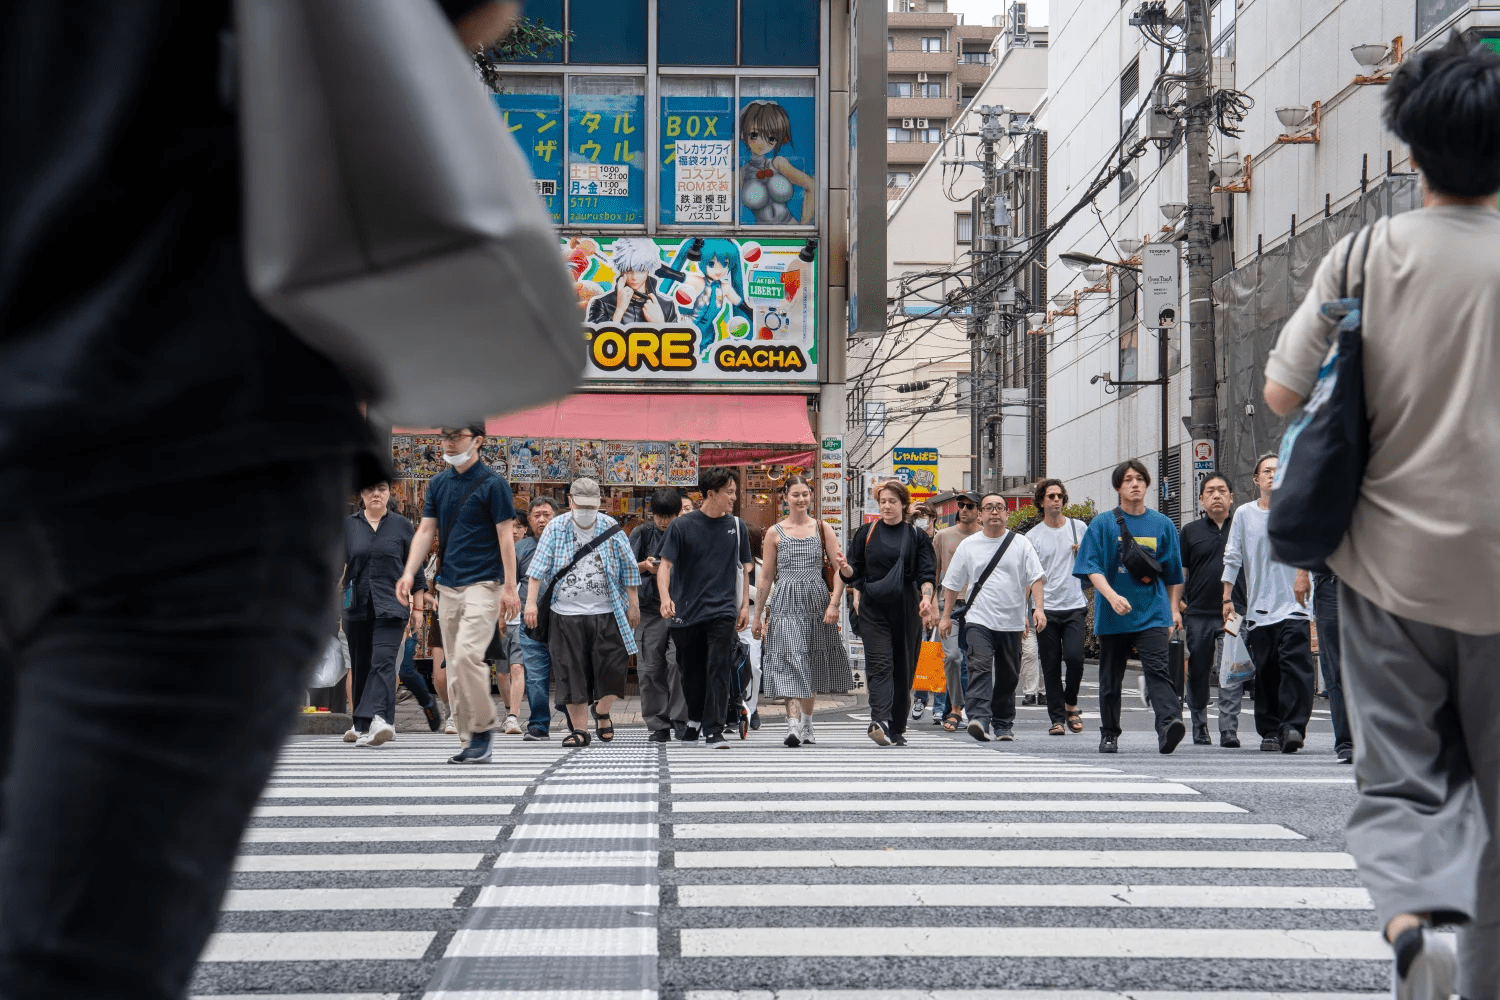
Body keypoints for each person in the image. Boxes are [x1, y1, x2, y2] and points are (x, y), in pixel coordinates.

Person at [0, 2, 521, 991]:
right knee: (75, 956)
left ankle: (473, 732)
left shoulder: (481, 482)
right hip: (197, 422)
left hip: (95, 403)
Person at [1261, 38, 1500, 998]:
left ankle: (1417, 926)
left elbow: (1281, 397)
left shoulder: (1365, 255)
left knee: (1402, 780)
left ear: (1408, 147)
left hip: (1387, 570)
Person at [397, 423, 520, 765]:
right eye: (444, 438)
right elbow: (425, 530)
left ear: (478, 440)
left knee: (467, 656)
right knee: (454, 669)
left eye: (456, 438)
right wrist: (409, 573)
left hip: (484, 583)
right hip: (447, 584)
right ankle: (471, 738)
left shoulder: (494, 484)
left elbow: (505, 537)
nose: (448, 445)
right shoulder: (438, 483)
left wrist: (510, 587)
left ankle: (482, 732)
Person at [1071, 459, 1186, 755]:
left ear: (1147, 484)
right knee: (1110, 677)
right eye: (1128, 479)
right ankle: (1109, 733)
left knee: (1158, 670)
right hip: (1114, 613)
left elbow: (1173, 573)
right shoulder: (1103, 523)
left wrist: (1173, 609)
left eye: (1140, 479)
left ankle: (1168, 725)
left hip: (1153, 611)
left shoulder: (1163, 524)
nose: (1135, 484)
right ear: (1118, 487)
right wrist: (1110, 596)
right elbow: (1090, 566)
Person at [524, 478, 641, 748]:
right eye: (581, 505)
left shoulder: (610, 527)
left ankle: (601, 710)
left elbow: (629, 568)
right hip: (565, 612)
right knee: (570, 670)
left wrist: (633, 604)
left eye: (592, 506)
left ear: (599, 504)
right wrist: (531, 603)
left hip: (608, 610)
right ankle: (580, 730)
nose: (586, 510)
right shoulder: (556, 527)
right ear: (571, 502)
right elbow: (537, 569)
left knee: (613, 667)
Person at [1220, 454, 1314, 754]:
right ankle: (1270, 729)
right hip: (1260, 609)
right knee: (1268, 669)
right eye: (1267, 471)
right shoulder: (1245, 515)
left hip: (1295, 604)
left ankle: (1293, 727)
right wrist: (1227, 597)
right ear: (1256, 479)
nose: (1273, 475)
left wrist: (1303, 575)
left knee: (1296, 666)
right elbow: (1233, 555)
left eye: (1280, 470)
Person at [754, 475, 853, 747]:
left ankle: (807, 725)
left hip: (816, 601)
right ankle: (793, 727)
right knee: (790, 659)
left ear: (811, 497)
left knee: (809, 662)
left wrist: (835, 600)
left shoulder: (822, 528)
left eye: (805, 494)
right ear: (785, 497)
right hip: (785, 600)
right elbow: (765, 577)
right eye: (795, 494)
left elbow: (841, 571)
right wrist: (758, 615)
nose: (801, 499)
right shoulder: (774, 532)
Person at [658, 468, 753, 748]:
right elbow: (665, 565)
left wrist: (744, 606)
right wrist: (665, 597)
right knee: (691, 671)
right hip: (686, 612)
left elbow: (744, 569)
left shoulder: (737, 526)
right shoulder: (681, 526)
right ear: (711, 494)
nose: (734, 498)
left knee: (718, 668)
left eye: (735, 491)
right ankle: (695, 719)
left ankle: (714, 728)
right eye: (730, 492)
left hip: (722, 612)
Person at [939, 493, 1046, 742]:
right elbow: (952, 584)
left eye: (999, 508)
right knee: (979, 667)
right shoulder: (969, 545)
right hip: (978, 620)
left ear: (1007, 514)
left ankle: (1003, 724)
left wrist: (1037, 609)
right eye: (988, 508)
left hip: (1012, 622)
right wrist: (945, 616)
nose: (994, 512)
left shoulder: (1021, 544)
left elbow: (1036, 577)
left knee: (1009, 676)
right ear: (981, 515)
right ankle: (979, 719)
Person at [840, 479, 937, 746]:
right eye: (882, 501)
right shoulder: (866, 533)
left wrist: (926, 599)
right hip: (873, 607)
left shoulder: (916, 536)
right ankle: (879, 719)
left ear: (904, 505)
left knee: (903, 667)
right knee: (879, 664)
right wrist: (845, 570)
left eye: (892, 501)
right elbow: (854, 572)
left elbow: (927, 574)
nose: (886, 506)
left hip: (907, 606)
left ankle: (897, 727)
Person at [343, 480, 430, 746]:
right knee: (360, 664)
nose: (376, 494)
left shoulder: (401, 525)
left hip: (393, 605)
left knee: (382, 661)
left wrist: (417, 608)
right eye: (370, 490)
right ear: (362, 494)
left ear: (389, 492)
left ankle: (380, 720)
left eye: (381, 489)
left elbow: (415, 568)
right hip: (356, 605)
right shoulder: (348, 526)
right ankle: (360, 724)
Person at [1026, 479, 1090, 736]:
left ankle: (1071, 704)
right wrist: (1030, 610)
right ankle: (1057, 718)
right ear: (1041, 501)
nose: (1056, 500)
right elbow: (1030, 576)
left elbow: (1092, 562)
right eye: (1050, 496)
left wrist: (1081, 554)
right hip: (1046, 609)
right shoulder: (1033, 536)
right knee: (1051, 664)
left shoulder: (1079, 528)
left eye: (1059, 496)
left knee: (1075, 658)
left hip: (1074, 605)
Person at [1178, 473, 1235, 746]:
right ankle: (1200, 726)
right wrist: (1177, 606)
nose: (1216, 495)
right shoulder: (1190, 531)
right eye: (1210, 491)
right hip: (1198, 613)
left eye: (1222, 490)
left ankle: (1228, 729)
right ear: (1201, 498)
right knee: (1199, 671)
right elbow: (1181, 573)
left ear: (1231, 498)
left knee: (1230, 671)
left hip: (1233, 613)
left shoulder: (1240, 528)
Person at [632, 488, 688, 743]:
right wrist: (644, 566)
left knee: (679, 663)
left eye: (668, 516)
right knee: (649, 668)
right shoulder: (641, 533)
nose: (663, 521)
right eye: (658, 516)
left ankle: (681, 719)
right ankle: (658, 724)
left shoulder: (688, 533)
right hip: (648, 611)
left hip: (681, 609)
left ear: (678, 513)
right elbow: (623, 569)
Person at [927, 491, 982, 730]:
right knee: (951, 656)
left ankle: (963, 709)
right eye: (961, 505)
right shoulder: (943, 535)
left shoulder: (987, 536)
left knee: (975, 660)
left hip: (979, 604)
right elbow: (935, 571)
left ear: (979, 510)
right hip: (947, 603)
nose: (964, 509)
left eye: (970, 505)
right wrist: (930, 605)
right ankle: (955, 707)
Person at [483, 517, 530, 735]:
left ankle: (513, 715)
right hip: (499, 617)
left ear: (525, 529)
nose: (514, 531)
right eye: (510, 526)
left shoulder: (531, 551)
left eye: (519, 526)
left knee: (517, 667)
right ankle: (509, 709)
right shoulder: (494, 551)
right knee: (501, 672)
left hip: (521, 619)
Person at [518, 498, 558, 741]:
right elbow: (509, 583)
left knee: (567, 671)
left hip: (564, 619)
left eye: (547, 514)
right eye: (536, 515)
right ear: (529, 520)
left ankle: (573, 716)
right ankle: (539, 724)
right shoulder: (520, 548)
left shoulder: (567, 544)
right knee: (535, 674)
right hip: (530, 621)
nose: (542, 519)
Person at [1311, 571, 1353, 763]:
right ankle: (1346, 743)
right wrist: (1302, 574)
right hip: (1330, 582)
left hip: (1370, 581)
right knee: (1335, 668)